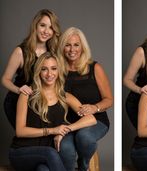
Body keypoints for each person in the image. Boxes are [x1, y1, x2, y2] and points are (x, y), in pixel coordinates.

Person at [9, 52, 97, 171]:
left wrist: (65, 130)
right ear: (38, 72)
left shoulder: (65, 96)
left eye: (53, 68)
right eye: (44, 69)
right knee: (50, 153)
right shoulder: (27, 95)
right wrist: (52, 130)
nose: (49, 74)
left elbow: (91, 119)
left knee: (43, 170)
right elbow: (20, 131)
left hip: (45, 157)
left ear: (59, 71)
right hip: (21, 152)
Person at [57, 27, 113, 171]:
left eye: (76, 44)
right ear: (62, 47)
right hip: (67, 122)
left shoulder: (95, 68)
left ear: (83, 47)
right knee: (65, 149)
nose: (72, 49)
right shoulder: (56, 70)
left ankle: (84, 166)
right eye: (67, 45)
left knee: (84, 137)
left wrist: (95, 107)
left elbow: (109, 99)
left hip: (95, 121)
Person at [1, 9, 61, 129]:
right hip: (17, 102)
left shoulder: (53, 52)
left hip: (38, 104)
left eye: (51, 27)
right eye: (42, 25)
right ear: (35, 26)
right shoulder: (20, 51)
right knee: (28, 139)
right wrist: (19, 89)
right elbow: (5, 79)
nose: (46, 31)